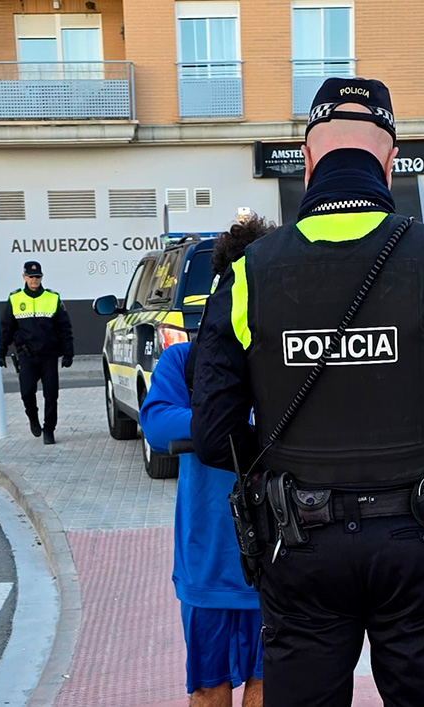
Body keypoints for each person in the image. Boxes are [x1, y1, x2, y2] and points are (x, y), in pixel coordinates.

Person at [190, 78, 424, 707]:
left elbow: (214, 437)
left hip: (298, 542)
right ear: (391, 162)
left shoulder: (245, 276)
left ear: (309, 159)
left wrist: (295, 452)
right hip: (422, 536)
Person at [140, 215, 274, 707]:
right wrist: (235, 426)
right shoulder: (187, 361)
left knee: (270, 688)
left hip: (280, 559)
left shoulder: (288, 357)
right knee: (208, 690)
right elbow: (158, 423)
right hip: (209, 563)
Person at [0, 260, 73, 445]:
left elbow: (65, 328)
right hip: (26, 355)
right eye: (31, 277)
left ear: (41, 277)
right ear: (24, 277)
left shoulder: (52, 298)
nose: (34, 280)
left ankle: (49, 429)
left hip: (48, 355)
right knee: (27, 393)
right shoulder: (15, 299)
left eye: (37, 277)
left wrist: (68, 353)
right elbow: (6, 328)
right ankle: (33, 418)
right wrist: (1, 352)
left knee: (51, 394)